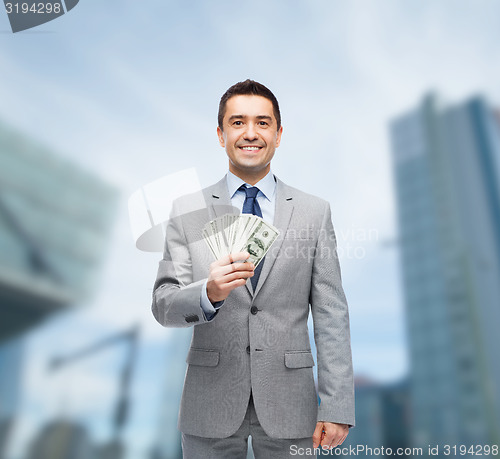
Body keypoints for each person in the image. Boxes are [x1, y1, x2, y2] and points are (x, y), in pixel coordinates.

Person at [152, 79, 355, 458]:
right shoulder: (187, 210)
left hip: (291, 403)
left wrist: (337, 404)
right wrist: (208, 294)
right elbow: (163, 304)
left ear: (279, 135)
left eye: (262, 123)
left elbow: (331, 312)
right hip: (209, 401)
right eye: (237, 122)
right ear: (220, 134)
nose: (250, 133)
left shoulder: (314, 212)